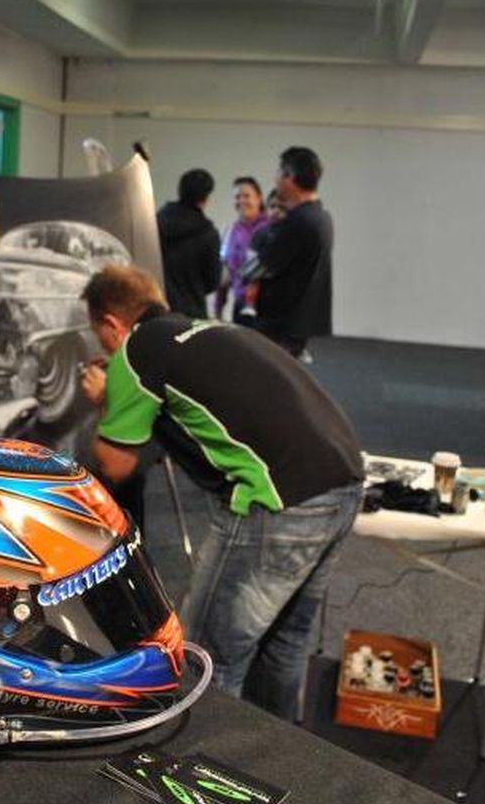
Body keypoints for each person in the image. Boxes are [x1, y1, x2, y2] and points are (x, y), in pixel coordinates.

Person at [79, 265, 363, 720]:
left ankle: (205, 751)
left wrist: (105, 399)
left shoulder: (137, 350)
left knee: (206, 656)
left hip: (278, 501)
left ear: (112, 324)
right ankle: (284, 749)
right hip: (344, 480)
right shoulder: (211, 329)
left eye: (100, 335)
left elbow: (116, 465)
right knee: (283, 644)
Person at [251, 147, 333, 359]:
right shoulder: (321, 216)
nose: (275, 179)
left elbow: (261, 266)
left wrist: (242, 269)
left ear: (290, 176)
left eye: (278, 173)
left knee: (268, 373)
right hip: (299, 320)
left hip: (281, 323)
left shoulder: (298, 221)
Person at [156, 169, 221, 319]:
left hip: (158, 309)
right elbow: (212, 281)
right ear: (205, 198)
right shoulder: (208, 234)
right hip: (192, 312)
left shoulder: (154, 223)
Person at [214, 176, 268, 325]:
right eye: (237, 197)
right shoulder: (230, 231)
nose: (241, 201)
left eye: (246, 196)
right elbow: (224, 275)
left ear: (259, 199)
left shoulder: (271, 227)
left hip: (269, 308)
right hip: (241, 308)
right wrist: (218, 311)